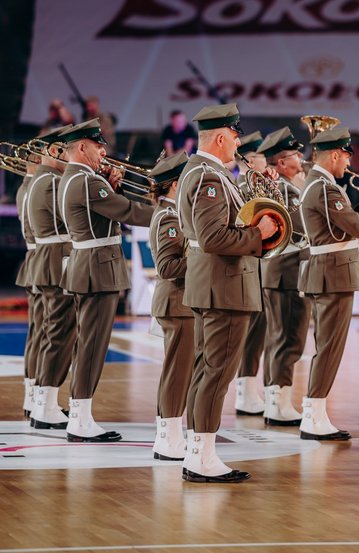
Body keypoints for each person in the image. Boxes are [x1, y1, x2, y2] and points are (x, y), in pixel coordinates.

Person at [177, 102, 277, 483]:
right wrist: (260, 234)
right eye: (235, 135)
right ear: (220, 136)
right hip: (224, 286)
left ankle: (197, 453)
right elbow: (214, 236)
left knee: (208, 370)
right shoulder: (209, 177)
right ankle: (201, 458)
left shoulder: (202, 172)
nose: (238, 141)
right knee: (216, 373)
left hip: (214, 284)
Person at [58, 119, 154, 442]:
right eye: (98, 146)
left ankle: (80, 413)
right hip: (97, 268)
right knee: (92, 345)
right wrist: (169, 210)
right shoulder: (87, 182)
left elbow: (105, 212)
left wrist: (112, 186)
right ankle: (80, 419)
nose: (103, 152)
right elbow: (127, 212)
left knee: (89, 343)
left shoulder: (75, 179)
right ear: (82, 147)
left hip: (89, 266)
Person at [297, 126, 359, 440]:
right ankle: (314, 415)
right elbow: (358, 226)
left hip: (330, 272)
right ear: (335, 154)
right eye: (346, 156)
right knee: (329, 347)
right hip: (332, 274)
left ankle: (315, 413)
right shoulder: (324, 187)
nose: (348, 163)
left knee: (328, 346)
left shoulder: (322, 185)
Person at [255, 127, 311, 426]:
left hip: (281, 272)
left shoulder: (289, 186)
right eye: (294, 154)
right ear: (280, 164)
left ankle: (275, 400)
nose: (301, 157)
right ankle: (279, 402)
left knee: (280, 337)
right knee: (290, 338)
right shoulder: (287, 190)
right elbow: (303, 226)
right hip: (287, 272)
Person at [28, 126, 76, 430]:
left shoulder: (42, 179)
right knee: (58, 335)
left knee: (52, 333)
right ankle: (45, 404)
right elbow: (78, 213)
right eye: (67, 150)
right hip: (56, 261)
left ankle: (43, 402)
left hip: (50, 260)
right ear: (55, 151)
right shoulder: (54, 181)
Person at [147, 152, 194, 460]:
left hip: (181, 302)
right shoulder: (169, 218)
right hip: (176, 301)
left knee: (181, 371)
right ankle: (168, 435)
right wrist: (203, 259)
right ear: (176, 184)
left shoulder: (173, 214)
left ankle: (172, 431)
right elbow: (167, 267)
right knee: (177, 372)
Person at [233, 130, 269, 416]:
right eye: (261, 156)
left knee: (258, 329)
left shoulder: (255, 183)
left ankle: (248, 389)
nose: (265, 161)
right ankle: (244, 392)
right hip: (245, 264)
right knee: (249, 329)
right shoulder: (240, 184)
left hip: (259, 264)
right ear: (249, 159)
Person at [15, 152, 43, 418]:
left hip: (34, 260)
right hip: (41, 260)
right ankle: (35, 395)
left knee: (38, 332)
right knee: (42, 333)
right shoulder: (35, 187)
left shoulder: (27, 187)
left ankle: (32, 394)